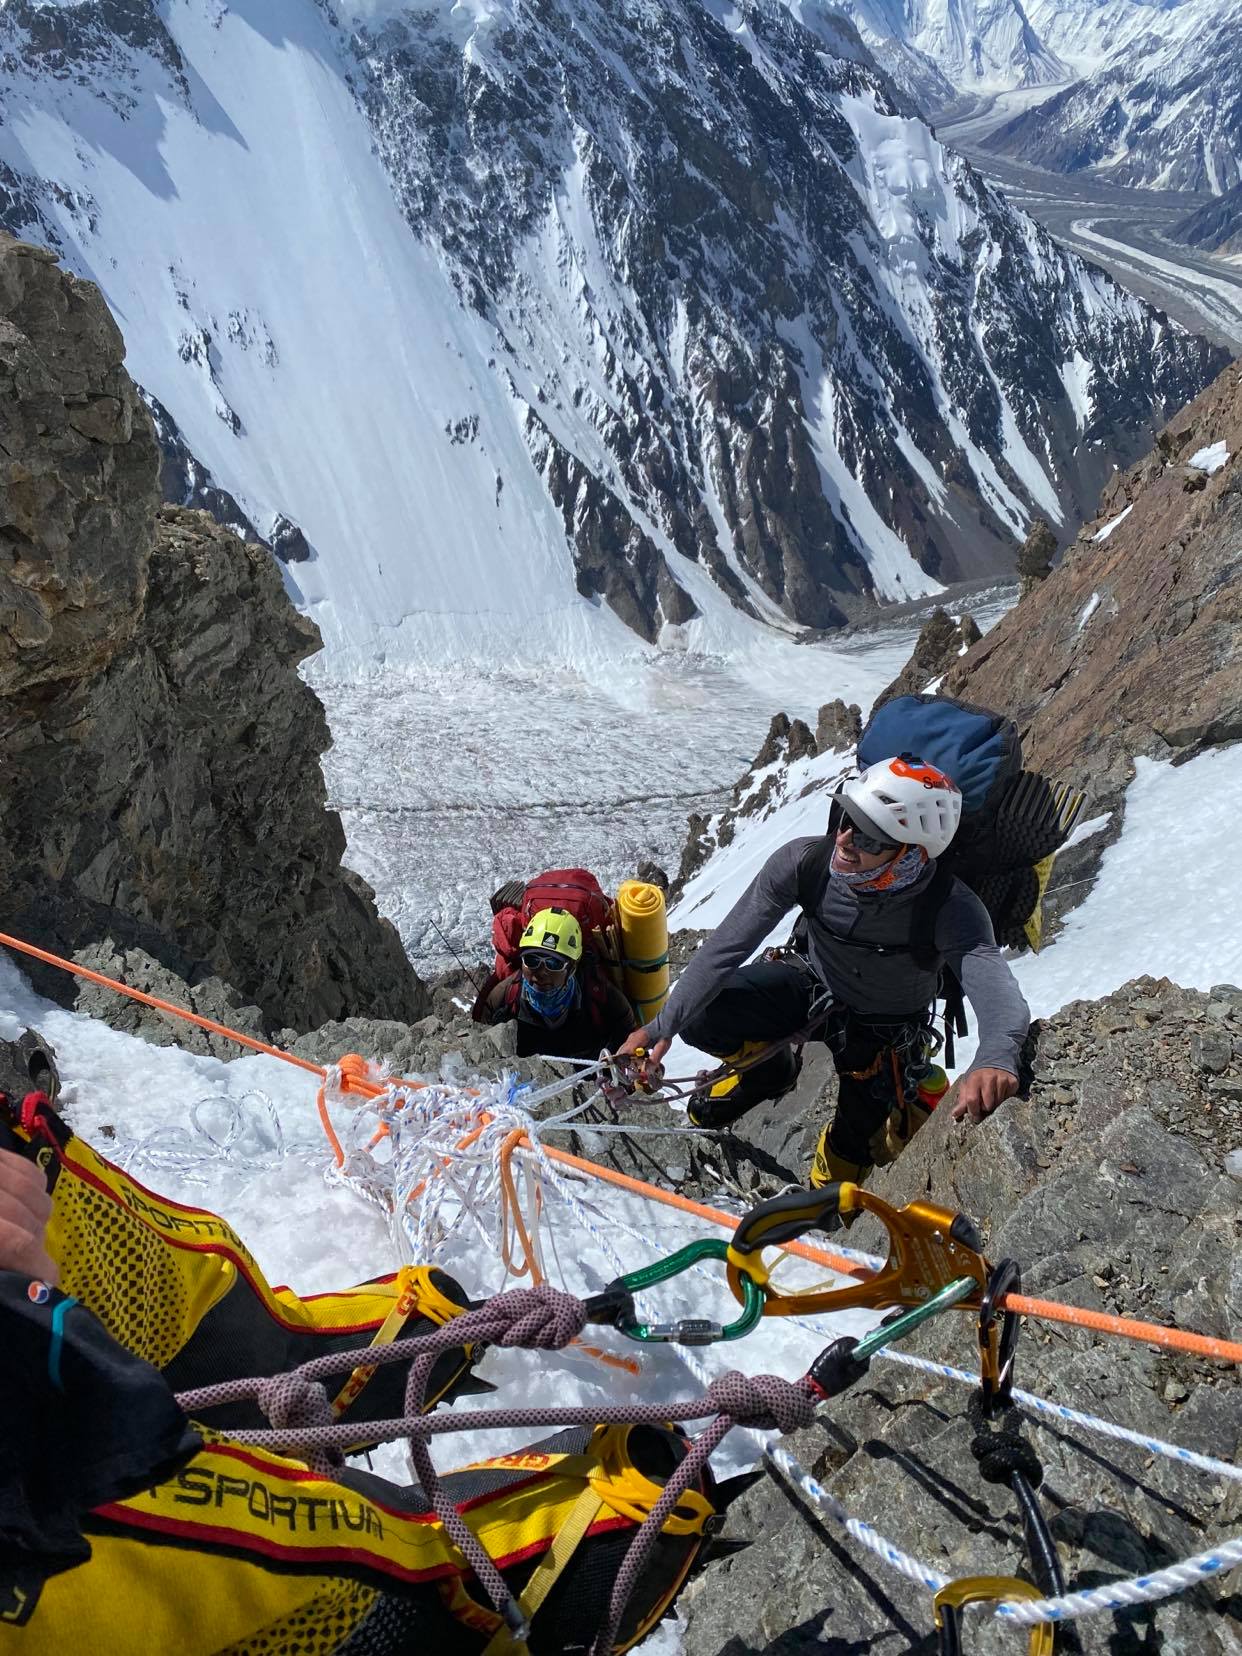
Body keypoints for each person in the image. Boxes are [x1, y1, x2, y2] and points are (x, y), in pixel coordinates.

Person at [615, 755, 1030, 1189]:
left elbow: (996, 991)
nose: (846, 840)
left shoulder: (950, 907)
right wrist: (664, 1026)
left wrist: (995, 1058)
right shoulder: (805, 863)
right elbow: (726, 948)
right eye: (846, 818)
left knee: (856, 1148)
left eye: (869, 837)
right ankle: (768, 1072)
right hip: (812, 983)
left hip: (886, 1029)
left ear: (912, 853)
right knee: (704, 1015)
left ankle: (823, 1201)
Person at [483, 905, 637, 1059]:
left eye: (554, 963)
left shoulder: (601, 997)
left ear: (572, 967)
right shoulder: (503, 998)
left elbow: (629, 1042)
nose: (542, 972)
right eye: (531, 960)